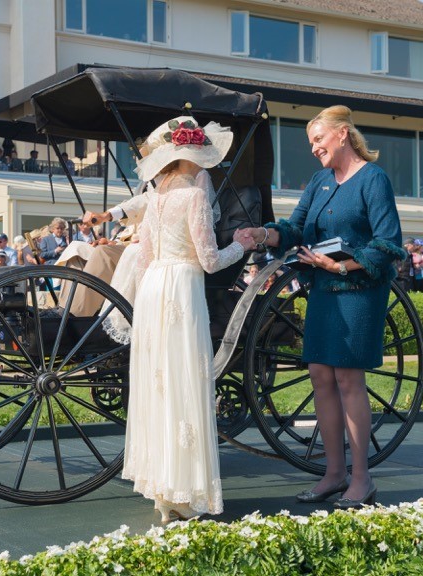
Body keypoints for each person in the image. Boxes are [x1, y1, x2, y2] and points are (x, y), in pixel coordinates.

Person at [239, 105, 405, 510]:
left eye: (318, 139)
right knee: (319, 375)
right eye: (311, 142)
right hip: (322, 289)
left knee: (348, 378)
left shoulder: (373, 179)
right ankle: (333, 474)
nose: (314, 148)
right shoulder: (319, 181)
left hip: (358, 289)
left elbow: (388, 243)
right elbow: (296, 227)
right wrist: (263, 233)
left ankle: (361, 479)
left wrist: (342, 264)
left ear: (343, 134)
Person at [121, 115, 254, 523]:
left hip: (153, 290)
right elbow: (210, 261)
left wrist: (147, 302)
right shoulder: (194, 198)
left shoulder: (156, 198)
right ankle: (185, 493)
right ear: (190, 157)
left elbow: (143, 259)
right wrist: (241, 244)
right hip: (182, 285)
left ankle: (164, 495)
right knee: (185, 382)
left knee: (159, 385)